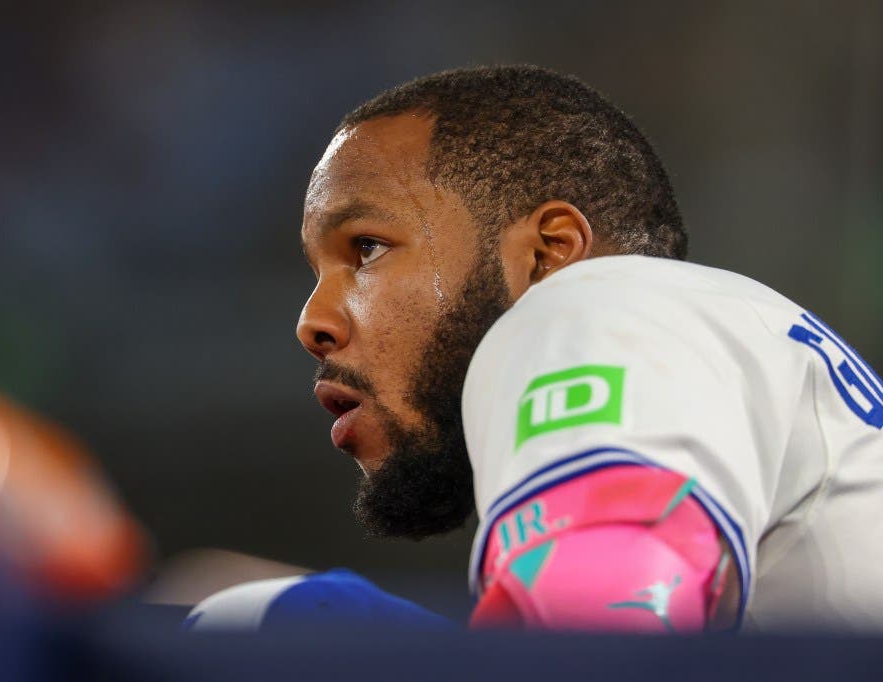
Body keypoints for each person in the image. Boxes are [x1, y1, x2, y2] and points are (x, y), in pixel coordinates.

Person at [292, 65, 883, 633]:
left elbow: (600, 649)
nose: (311, 322)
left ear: (548, 254)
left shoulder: (594, 305)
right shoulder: (719, 332)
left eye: (366, 248)